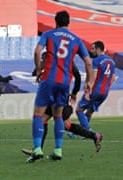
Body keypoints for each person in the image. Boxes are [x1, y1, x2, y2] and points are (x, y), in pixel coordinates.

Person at [26, 10, 93, 163]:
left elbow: (37, 52)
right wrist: (88, 82)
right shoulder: (76, 40)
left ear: (55, 22)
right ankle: (58, 150)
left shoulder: (49, 34)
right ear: (69, 22)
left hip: (49, 79)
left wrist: (38, 70)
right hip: (64, 83)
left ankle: (37, 149)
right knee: (58, 116)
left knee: (38, 114)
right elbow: (88, 62)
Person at [22, 62, 103, 156]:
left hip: (55, 95)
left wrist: (38, 71)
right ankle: (94, 136)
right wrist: (74, 92)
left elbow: (37, 70)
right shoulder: (68, 59)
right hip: (61, 94)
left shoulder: (53, 57)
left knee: (45, 120)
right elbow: (77, 75)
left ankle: (38, 149)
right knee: (62, 124)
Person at [76, 41, 116, 131]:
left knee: (79, 109)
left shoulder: (96, 60)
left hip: (95, 90)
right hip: (104, 92)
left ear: (98, 49)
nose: (91, 51)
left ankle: (89, 131)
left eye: (93, 49)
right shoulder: (111, 61)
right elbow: (113, 78)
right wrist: (106, 87)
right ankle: (79, 132)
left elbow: (93, 77)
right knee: (89, 112)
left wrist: (88, 92)